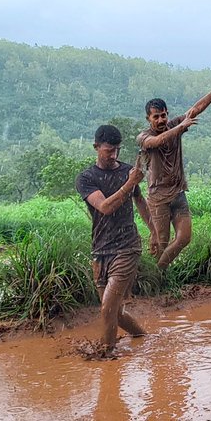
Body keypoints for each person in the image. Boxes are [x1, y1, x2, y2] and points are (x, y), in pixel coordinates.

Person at [137, 70, 211, 270]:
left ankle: (158, 272)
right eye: (156, 117)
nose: (161, 120)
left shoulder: (174, 124)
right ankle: (155, 276)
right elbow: (156, 142)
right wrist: (180, 127)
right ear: (148, 118)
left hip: (178, 194)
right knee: (161, 243)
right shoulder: (144, 136)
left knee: (184, 238)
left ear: (167, 114)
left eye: (163, 115)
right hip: (158, 198)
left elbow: (196, 108)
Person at [75, 124, 152, 354]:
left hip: (127, 247)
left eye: (117, 150)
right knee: (114, 312)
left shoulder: (128, 171)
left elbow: (140, 202)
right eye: (109, 150)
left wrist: (155, 233)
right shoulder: (86, 178)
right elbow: (105, 207)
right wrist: (130, 183)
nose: (114, 155)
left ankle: (106, 355)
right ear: (96, 147)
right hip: (100, 250)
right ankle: (143, 338)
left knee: (108, 308)